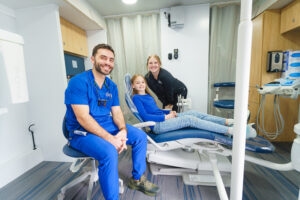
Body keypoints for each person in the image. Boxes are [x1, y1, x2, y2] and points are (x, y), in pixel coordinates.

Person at [64, 44, 159, 200]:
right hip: (81, 132)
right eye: (103, 58)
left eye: (111, 60)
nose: (107, 62)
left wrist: (122, 130)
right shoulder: (78, 82)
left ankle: (137, 179)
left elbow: (116, 112)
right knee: (109, 151)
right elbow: (83, 118)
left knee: (140, 137)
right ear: (93, 59)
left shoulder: (111, 86)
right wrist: (111, 139)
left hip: (107, 124)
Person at [131, 74, 257, 138]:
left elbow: (156, 111)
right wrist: (166, 118)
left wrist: (168, 113)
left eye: (143, 82)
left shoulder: (147, 96)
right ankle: (230, 131)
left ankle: (230, 121)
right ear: (133, 86)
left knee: (195, 113)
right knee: (190, 120)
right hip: (158, 126)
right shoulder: (136, 98)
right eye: (138, 83)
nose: (141, 84)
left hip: (164, 119)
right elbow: (146, 116)